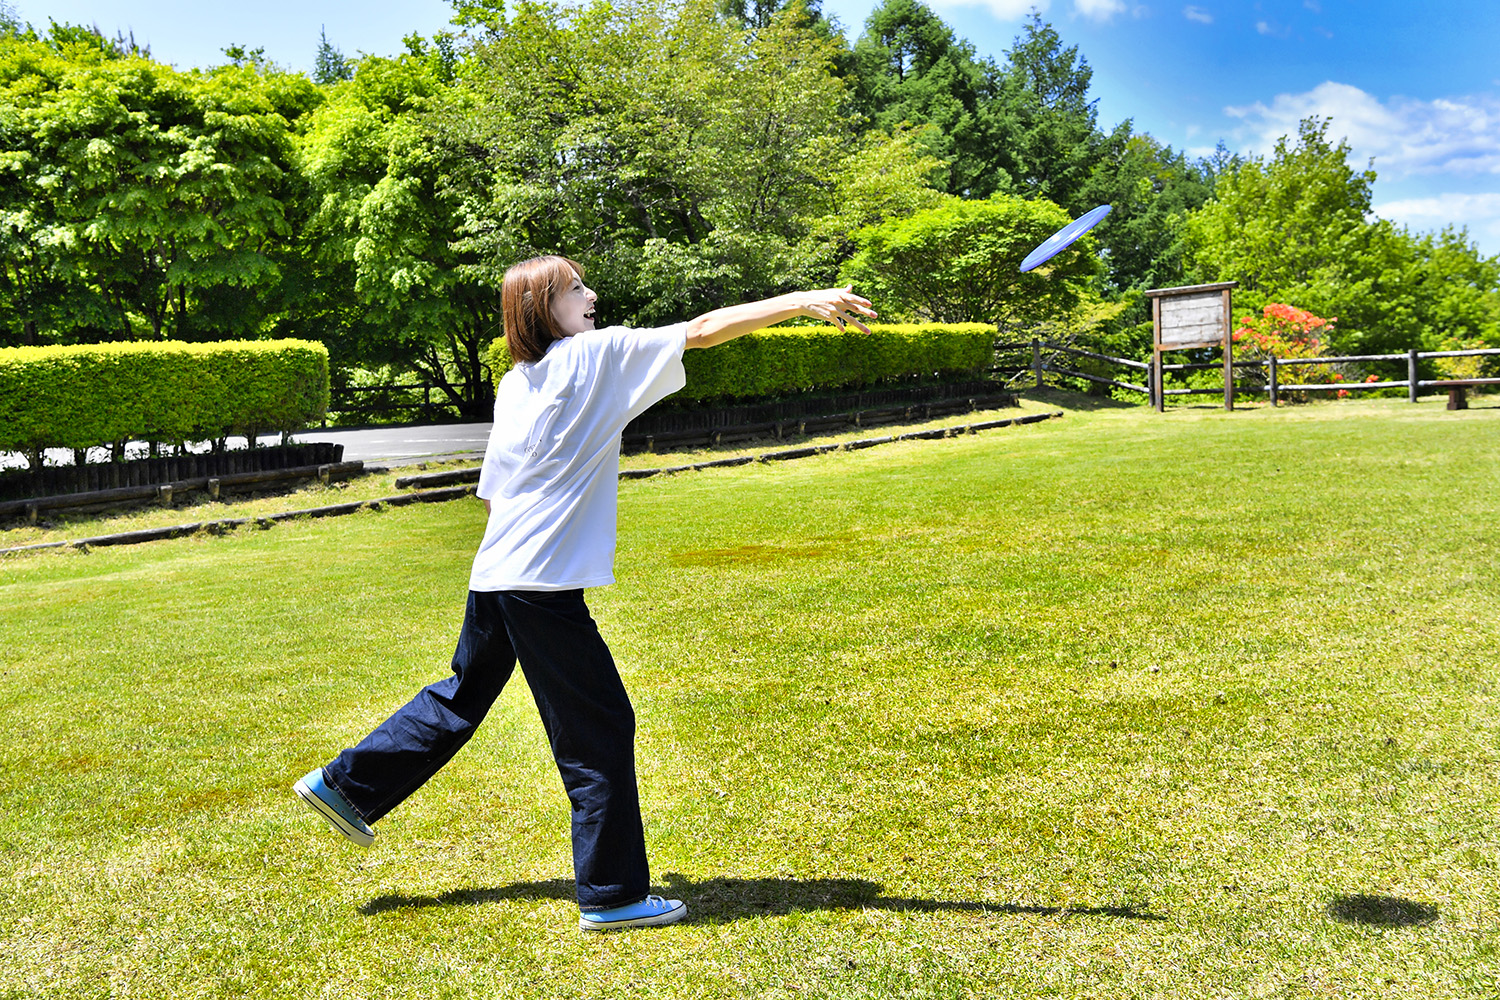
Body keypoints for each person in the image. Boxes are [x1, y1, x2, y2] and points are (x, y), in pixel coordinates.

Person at [295, 255, 876, 932]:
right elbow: (705, 327)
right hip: (539, 585)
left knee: (462, 694)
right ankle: (613, 894)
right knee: (599, 729)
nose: (591, 295)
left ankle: (345, 785)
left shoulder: (518, 383)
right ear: (543, 307)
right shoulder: (595, 356)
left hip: (498, 574)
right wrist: (803, 298)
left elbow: (492, 496)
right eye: (576, 288)